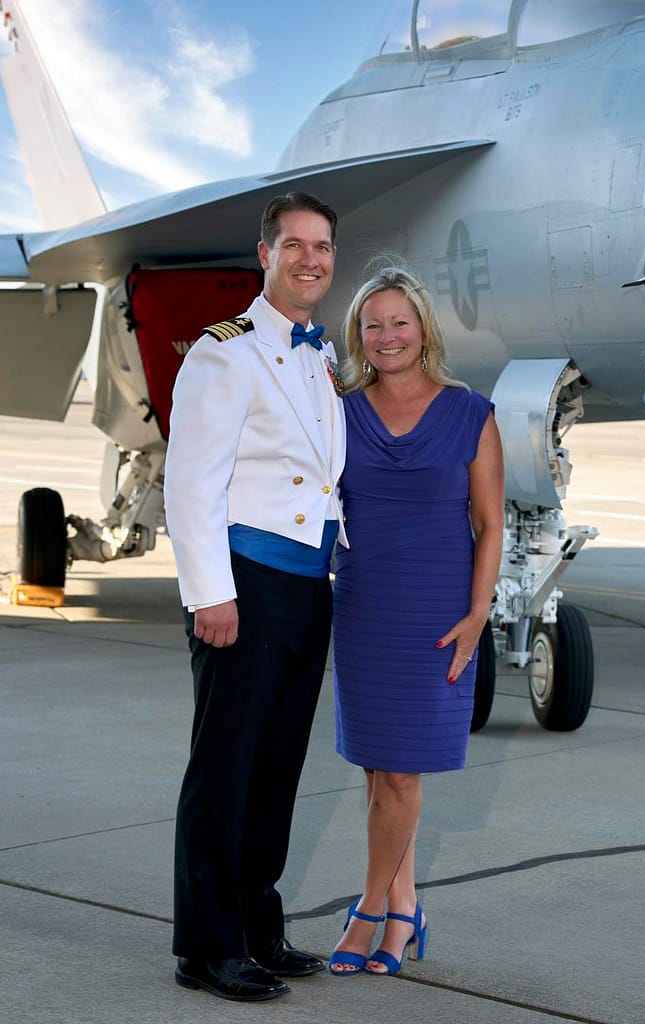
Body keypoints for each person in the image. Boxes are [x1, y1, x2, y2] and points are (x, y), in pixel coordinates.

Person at [164, 192, 347, 1002]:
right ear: (265, 254)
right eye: (295, 245)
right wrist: (210, 593)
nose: (311, 259)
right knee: (226, 768)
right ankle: (208, 948)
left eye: (323, 246)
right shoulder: (224, 353)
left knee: (276, 769)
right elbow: (190, 483)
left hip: (308, 587)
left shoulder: (322, 354)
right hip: (245, 585)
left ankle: (257, 927)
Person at [328, 266, 504, 977]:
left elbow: (489, 523)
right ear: (359, 336)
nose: (387, 335)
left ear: (424, 329)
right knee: (379, 772)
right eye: (372, 324)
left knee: (400, 773)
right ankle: (405, 909)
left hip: (436, 610)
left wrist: (478, 613)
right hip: (364, 605)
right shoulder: (340, 411)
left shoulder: (471, 412)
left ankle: (369, 909)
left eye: (400, 321)